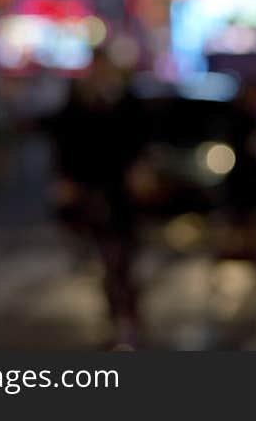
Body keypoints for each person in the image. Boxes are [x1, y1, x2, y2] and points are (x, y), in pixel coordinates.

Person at [46, 52, 149, 347]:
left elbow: (139, 137)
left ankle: (126, 317)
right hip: (91, 188)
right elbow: (65, 141)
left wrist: (140, 169)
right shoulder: (79, 101)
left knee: (121, 258)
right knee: (106, 257)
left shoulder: (126, 101)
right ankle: (117, 316)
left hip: (120, 192)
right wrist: (65, 180)